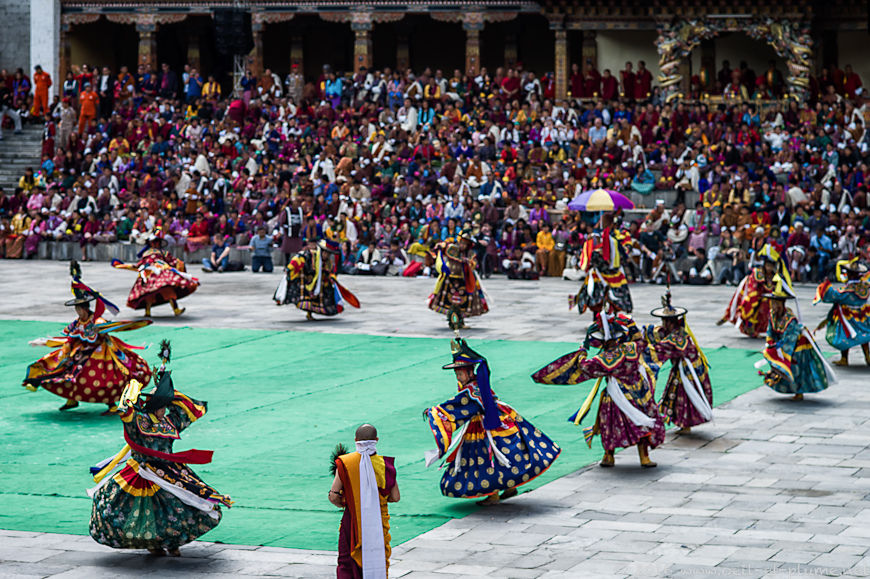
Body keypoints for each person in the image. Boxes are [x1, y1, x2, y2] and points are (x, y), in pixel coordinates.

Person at [88, 341, 232, 556]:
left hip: (170, 471)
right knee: (141, 511)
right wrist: (132, 393)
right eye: (163, 405)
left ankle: (173, 542)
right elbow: (125, 413)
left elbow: (187, 406)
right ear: (154, 407)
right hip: (141, 471)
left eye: (166, 405)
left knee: (178, 506)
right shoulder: (139, 421)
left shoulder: (169, 422)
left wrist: (163, 381)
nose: (166, 409)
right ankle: (153, 544)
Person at [424, 338, 560, 505]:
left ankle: (493, 493)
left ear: (469, 372)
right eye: (457, 374)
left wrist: (434, 412)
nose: (458, 377)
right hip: (499, 419)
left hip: (483, 427)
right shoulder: (477, 385)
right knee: (505, 454)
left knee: (485, 458)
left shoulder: (471, 391)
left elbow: (457, 405)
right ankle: (509, 487)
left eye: (460, 373)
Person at [532, 312, 664, 468]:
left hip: (617, 395)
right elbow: (640, 340)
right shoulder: (632, 348)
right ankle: (644, 457)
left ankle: (609, 456)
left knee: (610, 424)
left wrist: (582, 352)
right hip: (640, 391)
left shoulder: (604, 359)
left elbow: (585, 367)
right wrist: (630, 324)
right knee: (643, 420)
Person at [23, 261, 153, 413]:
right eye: (76, 308)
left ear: (85, 308)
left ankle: (111, 404)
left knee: (104, 379)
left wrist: (109, 328)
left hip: (101, 352)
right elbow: (70, 338)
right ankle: (72, 400)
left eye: (79, 308)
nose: (77, 311)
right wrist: (46, 343)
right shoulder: (78, 322)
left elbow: (108, 328)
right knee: (68, 373)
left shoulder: (97, 321)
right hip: (81, 352)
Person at [329, 424, 399, 578]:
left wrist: (347, 503)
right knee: (378, 559)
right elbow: (395, 497)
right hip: (378, 522)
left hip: (352, 520)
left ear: (355, 440)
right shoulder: (385, 465)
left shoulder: (346, 463)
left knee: (347, 560)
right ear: (376, 440)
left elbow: (334, 495)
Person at [645, 289, 713, 434]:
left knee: (684, 395)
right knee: (678, 394)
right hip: (685, 368)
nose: (663, 323)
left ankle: (685, 424)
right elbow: (657, 333)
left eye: (665, 321)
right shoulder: (677, 331)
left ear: (670, 322)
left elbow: (660, 350)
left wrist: (639, 347)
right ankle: (682, 423)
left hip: (688, 371)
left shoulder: (676, 339)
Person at [760, 280, 836, 401]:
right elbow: (770, 332)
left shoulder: (791, 320)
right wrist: (769, 344)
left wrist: (777, 348)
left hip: (797, 344)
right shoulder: (772, 314)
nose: (773, 306)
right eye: (772, 303)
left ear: (781, 304)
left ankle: (799, 392)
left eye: (775, 304)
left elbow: (790, 338)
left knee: (798, 368)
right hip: (782, 345)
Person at [112, 229, 199, 317]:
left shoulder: (163, 253)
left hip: (163, 271)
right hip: (149, 272)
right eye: (153, 242)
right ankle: (148, 312)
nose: (155, 244)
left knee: (168, 289)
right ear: (150, 243)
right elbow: (140, 265)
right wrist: (123, 266)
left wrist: (178, 263)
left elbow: (172, 261)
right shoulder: (146, 254)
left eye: (157, 242)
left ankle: (176, 309)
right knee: (148, 292)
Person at [274, 239, 360, 319]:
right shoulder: (311, 254)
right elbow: (298, 258)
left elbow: (330, 273)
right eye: (326, 253)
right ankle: (309, 313)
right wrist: (290, 268)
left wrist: (331, 279)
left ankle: (310, 313)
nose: (327, 255)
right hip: (307, 280)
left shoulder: (328, 262)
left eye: (329, 253)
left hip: (320, 285)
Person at [718, 244, 785, 338]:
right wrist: (758, 295)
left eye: (771, 266)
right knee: (750, 302)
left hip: (768, 296)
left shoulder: (775, 276)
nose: (769, 268)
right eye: (768, 266)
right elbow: (754, 285)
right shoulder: (758, 272)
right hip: (753, 291)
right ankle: (745, 324)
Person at [813, 258, 870, 366]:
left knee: (844, 336)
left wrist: (825, 286)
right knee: (864, 335)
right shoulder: (865, 287)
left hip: (848, 315)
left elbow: (834, 296)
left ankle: (844, 358)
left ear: (850, 275)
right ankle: (867, 356)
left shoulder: (848, 289)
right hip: (862, 314)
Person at [428, 234, 489, 330]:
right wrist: (440, 246)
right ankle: (453, 322)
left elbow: (473, 264)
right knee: (451, 302)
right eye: (461, 243)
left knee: (462, 303)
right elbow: (443, 247)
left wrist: (468, 262)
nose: (462, 245)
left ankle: (460, 322)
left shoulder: (470, 254)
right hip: (450, 279)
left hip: (464, 280)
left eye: (465, 244)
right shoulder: (452, 249)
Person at [570, 228, 632, 316]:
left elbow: (621, 258)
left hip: (612, 276)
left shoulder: (613, 242)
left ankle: (611, 318)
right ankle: (598, 319)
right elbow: (587, 262)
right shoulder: (594, 249)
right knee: (595, 298)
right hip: (599, 276)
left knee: (613, 299)